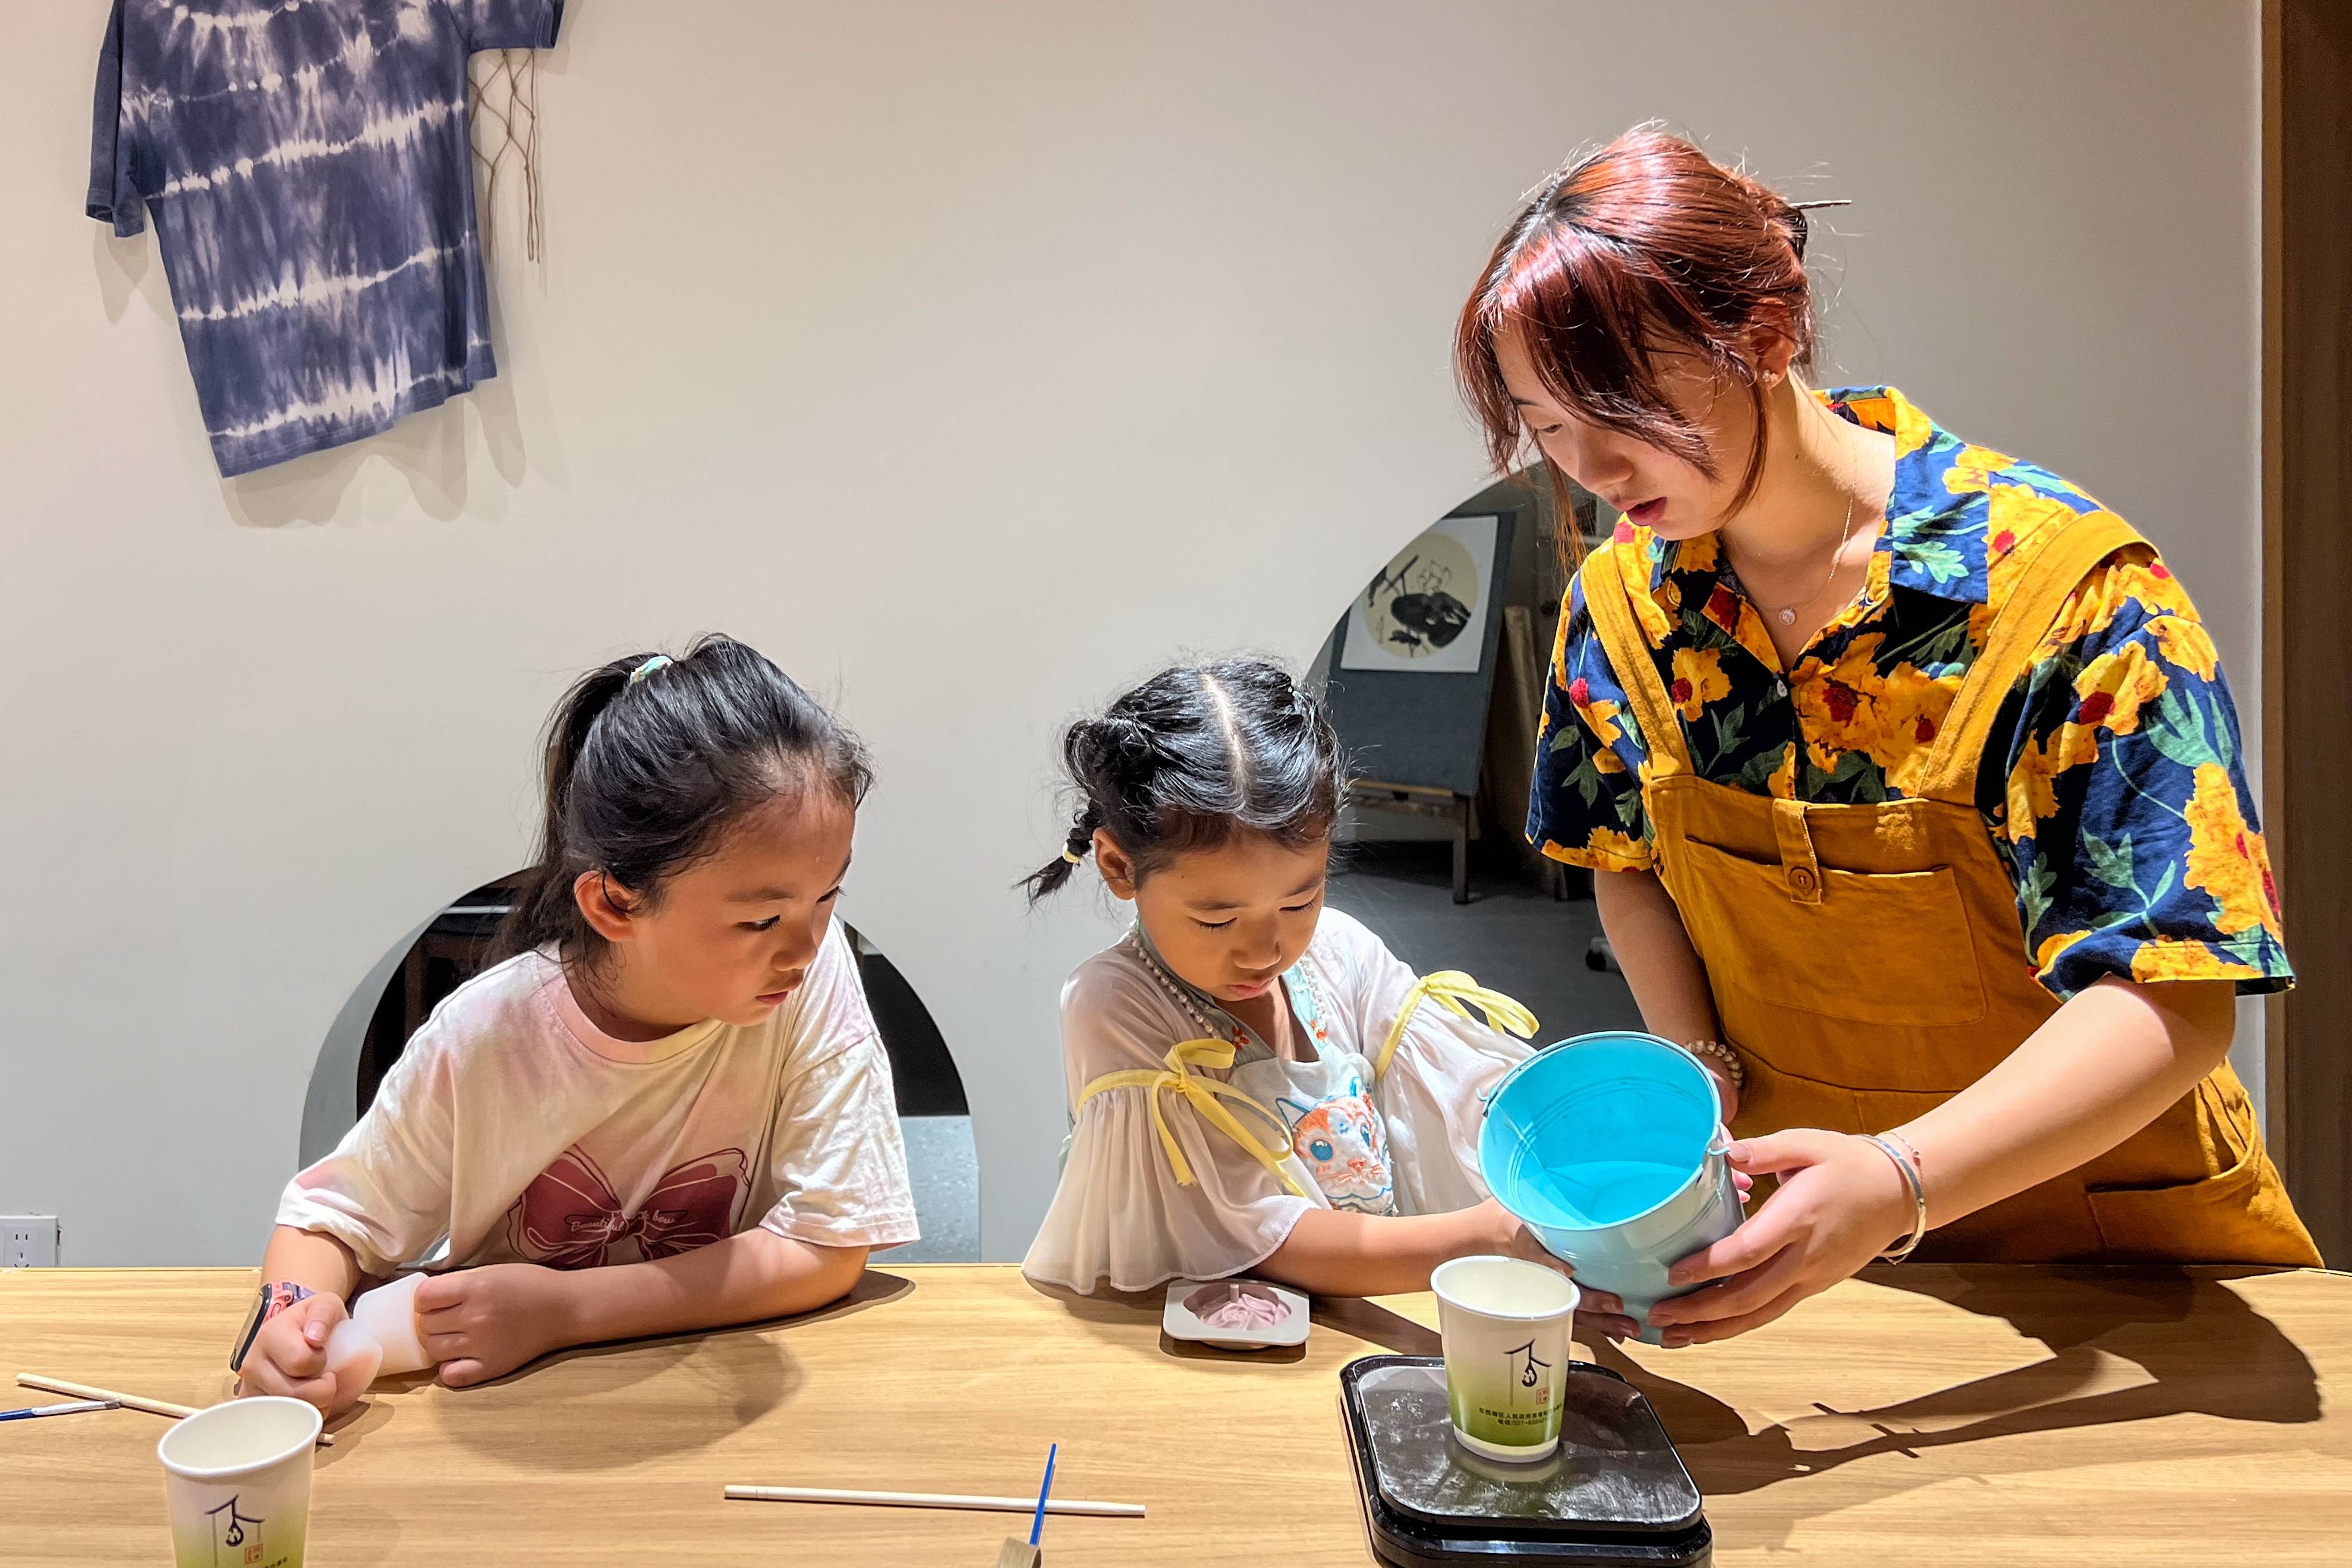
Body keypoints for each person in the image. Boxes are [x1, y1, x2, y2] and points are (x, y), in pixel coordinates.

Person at [1453, 127, 2319, 1347]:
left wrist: (1899, 1179)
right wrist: (1696, 1065)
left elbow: (2173, 994)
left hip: (2114, 1253)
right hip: (1801, 1245)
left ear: (1764, 336)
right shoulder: (1622, 606)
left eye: (1621, 407)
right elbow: (1623, 859)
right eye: (1546, 425)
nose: (1591, 466)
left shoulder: (2067, 597)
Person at [235, 637, 918, 1413]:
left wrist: (567, 1310)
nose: (803, 946)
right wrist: (292, 1321)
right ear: (616, 903)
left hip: (712, 1400)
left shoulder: (809, 975)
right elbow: (328, 1223)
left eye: (828, 896)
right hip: (508, 1408)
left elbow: (830, 1242)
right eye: (761, 919)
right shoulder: (488, 1034)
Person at [1018, 657, 1637, 1331]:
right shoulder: (1114, 1002)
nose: (1264, 951)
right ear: (1118, 866)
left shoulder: (1340, 954)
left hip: (1357, 1329)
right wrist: (1486, 1236)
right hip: (1211, 1353)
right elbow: (1245, 1233)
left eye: (1300, 900)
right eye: (1217, 920)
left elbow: (1473, 1100)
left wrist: (1591, 1147)